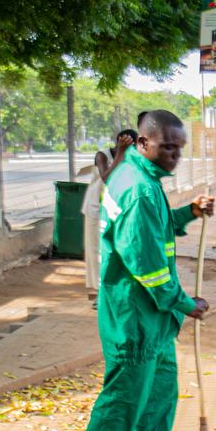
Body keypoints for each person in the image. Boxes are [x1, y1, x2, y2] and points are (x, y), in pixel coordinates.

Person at [67, 110, 212, 431]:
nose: (175, 156)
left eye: (180, 148)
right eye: (167, 147)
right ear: (144, 143)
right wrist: (185, 303)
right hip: (134, 314)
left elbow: (154, 230)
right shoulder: (138, 189)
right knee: (125, 396)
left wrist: (189, 212)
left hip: (155, 318)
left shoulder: (141, 177)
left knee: (159, 391)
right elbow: (145, 264)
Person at [82, 129, 138, 304]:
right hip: (95, 209)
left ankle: (112, 291)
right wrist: (120, 153)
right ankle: (100, 294)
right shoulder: (102, 155)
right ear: (119, 140)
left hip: (113, 209)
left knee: (113, 251)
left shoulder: (131, 158)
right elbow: (106, 178)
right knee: (96, 252)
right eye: (126, 143)